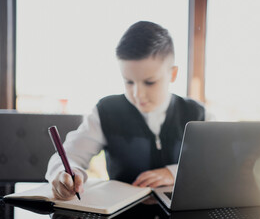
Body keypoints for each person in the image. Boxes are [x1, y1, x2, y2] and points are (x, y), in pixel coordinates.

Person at [45, 21, 210, 200]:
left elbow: (219, 164)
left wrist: (174, 172)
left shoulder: (198, 114)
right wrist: (65, 173)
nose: (138, 94)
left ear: (173, 74)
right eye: (129, 82)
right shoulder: (105, 111)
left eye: (149, 82)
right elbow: (70, 155)